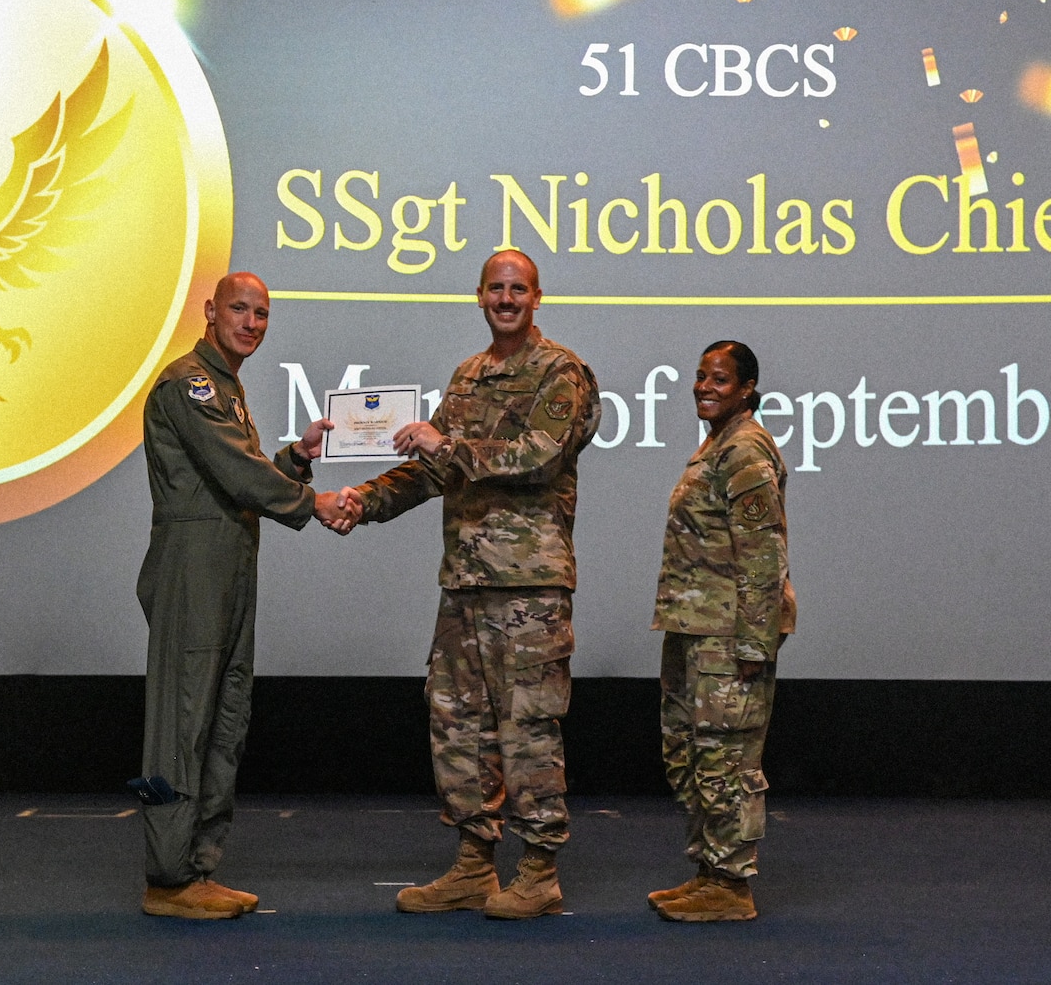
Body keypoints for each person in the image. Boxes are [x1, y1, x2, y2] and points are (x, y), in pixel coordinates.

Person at [337, 250, 600, 919]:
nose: (506, 298)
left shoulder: (561, 372)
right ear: (479, 296)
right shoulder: (467, 375)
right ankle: (472, 865)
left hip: (529, 585)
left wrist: (443, 444)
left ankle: (538, 869)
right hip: (465, 582)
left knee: (529, 727)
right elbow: (434, 472)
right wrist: (361, 501)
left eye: (519, 288)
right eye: (496, 289)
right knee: (456, 725)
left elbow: (538, 456)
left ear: (537, 296)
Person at [130, 271, 359, 920]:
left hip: (230, 566)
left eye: (262, 313)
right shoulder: (190, 383)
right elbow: (234, 469)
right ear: (209, 310)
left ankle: (198, 868)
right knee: (184, 723)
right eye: (240, 308)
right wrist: (311, 501)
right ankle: (168, 876)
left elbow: (237, 477)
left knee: (224, 717)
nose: (252, 321)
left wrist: (297, 457)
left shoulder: (227, 387)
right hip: (193, 573)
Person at [648, 339, 795, 923]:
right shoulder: (716, 446)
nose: (706, 387)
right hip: (694, 630)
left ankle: (732, 886)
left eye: (721, 380)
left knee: (725, 758)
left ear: (747, 389)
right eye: (702, 376)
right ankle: (710, 872)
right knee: (691, 752)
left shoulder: (745, 451)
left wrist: (755, 645)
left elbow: (762, 557)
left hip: (728, 639)